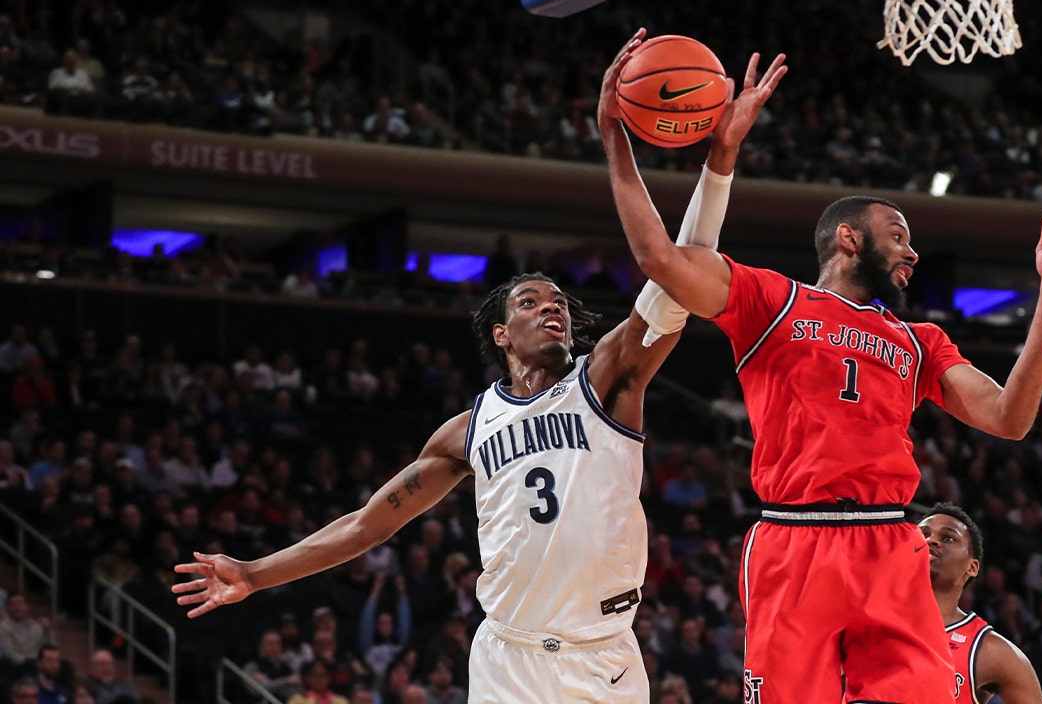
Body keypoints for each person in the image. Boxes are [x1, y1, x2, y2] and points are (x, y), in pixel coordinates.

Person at [599, 28, 1042, 703]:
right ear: (849, 240)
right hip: (795, 542)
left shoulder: (919, 341)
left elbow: (1010, 417)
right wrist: (615, 138)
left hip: (890, 543)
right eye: (899, 238)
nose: (912, 255)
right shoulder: (773, 300)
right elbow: (659, 258)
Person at [173, 136, 737, 702]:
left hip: (601, 658)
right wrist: (254, 574)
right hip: (506, 659)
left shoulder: (606, 381)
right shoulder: (467, 431)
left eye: (559, 301)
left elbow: (676, 274)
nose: (552, 307)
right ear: (501, 333)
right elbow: (368, 524)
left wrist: (719, 162)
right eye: (531, 302)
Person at [920, 503, 1042, 704]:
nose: (931, 540)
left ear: (972, 567)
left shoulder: (989, 651)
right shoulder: (870, 620)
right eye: (922, 534)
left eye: (948, 537)